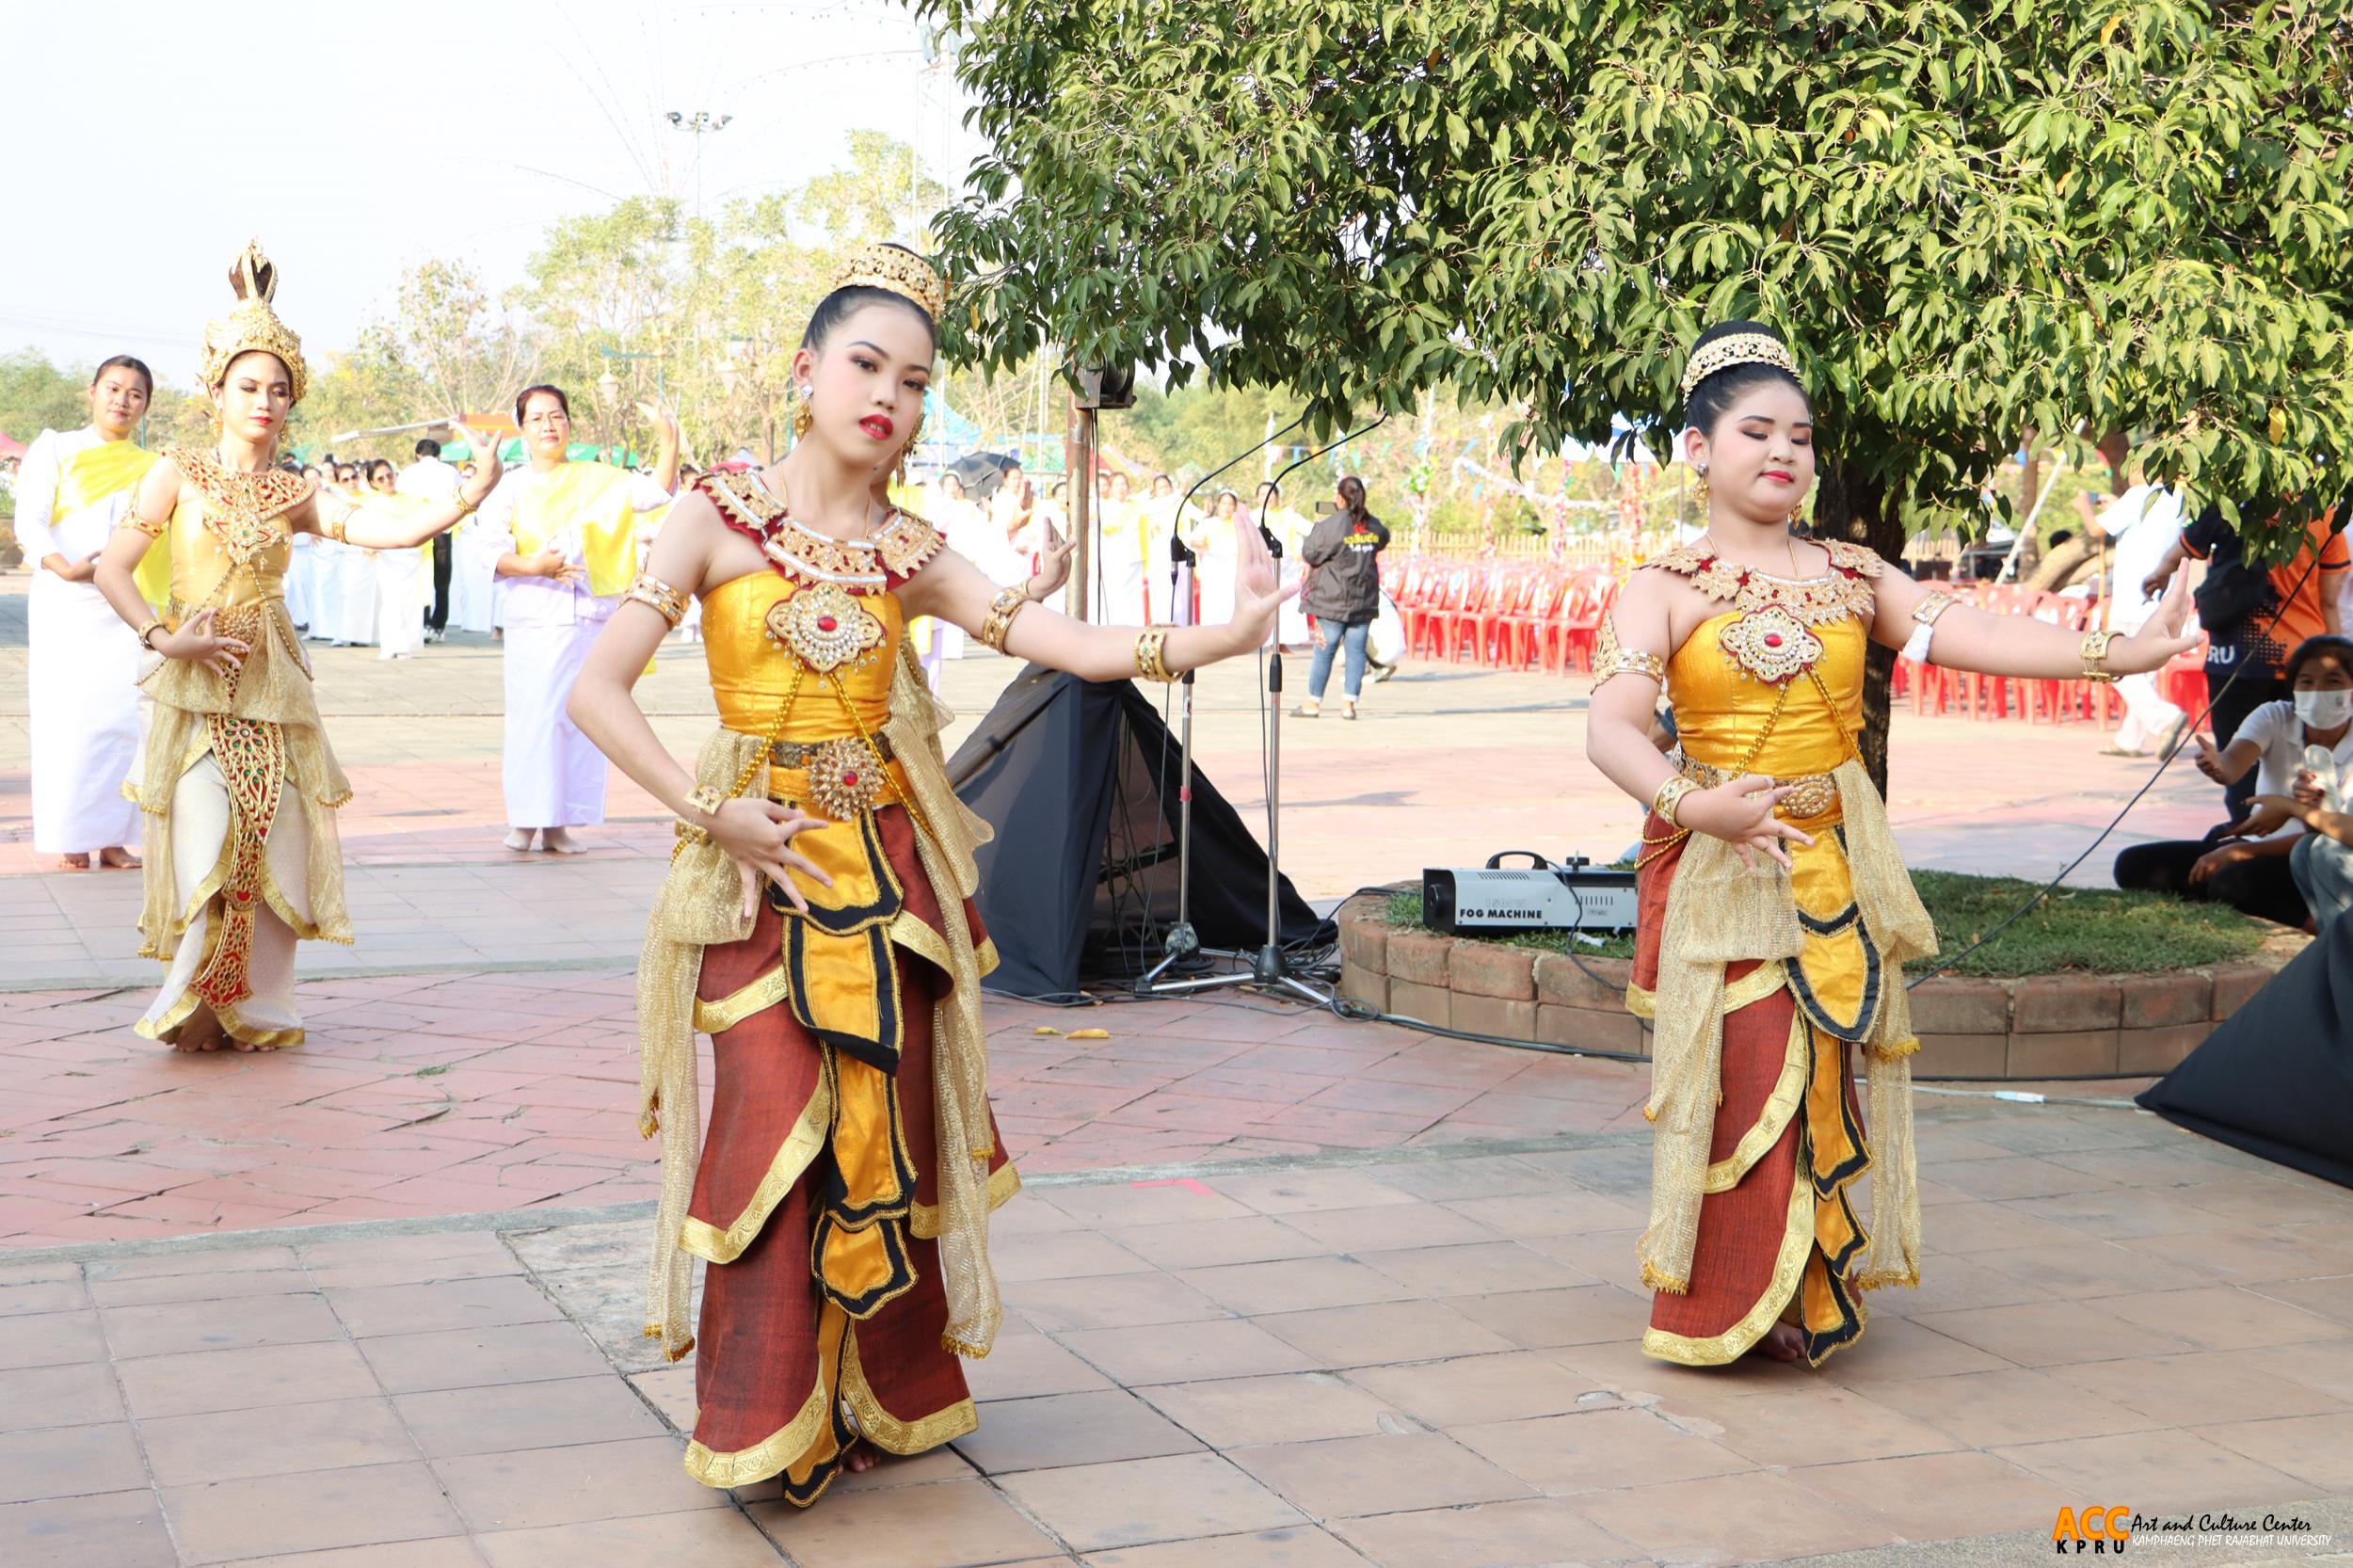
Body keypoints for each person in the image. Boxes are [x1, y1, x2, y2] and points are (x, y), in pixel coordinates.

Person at [566, 243, 1291, 1505]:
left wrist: (1226, 630)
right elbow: (595, 690)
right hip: (760, 874)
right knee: (774, 1134)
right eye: (864, 365)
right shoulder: (715, 513)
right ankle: (764, 1414)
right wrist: (710, 812)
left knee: (884, 1139)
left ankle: (864, 1396)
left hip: (893, 874)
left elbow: (1056, 637)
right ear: (805, 375)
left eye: (912, 379)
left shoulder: (912, 550)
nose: (887, 397)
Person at [1584, 321, 2196, 1367]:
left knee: (1821, 1073)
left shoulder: (1853, 573)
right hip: (1727, 862)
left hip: (1831, 860)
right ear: (1697, 450)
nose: (1784, 452)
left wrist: (2117, 651)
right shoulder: (1664, 585)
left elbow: (1979, 634)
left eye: (1801, 435)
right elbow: (1610, 726)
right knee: (1746, 1077)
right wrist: (1697, 806)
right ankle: (1727, 1302)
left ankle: (1800, 1293)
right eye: (1757, 431)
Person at [89, 242, 498, 1052]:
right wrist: (165, 639)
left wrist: (466, 496)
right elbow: (113, 569)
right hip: (194, 678)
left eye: (279, 390)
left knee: (269, 841)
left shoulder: (299, 492)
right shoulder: (176, 472)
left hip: (271, 682)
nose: (264, 402)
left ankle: (247, 1005)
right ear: (215, 393)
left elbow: (386, 529)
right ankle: (191, 1001)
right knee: (209, 838)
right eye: (248, 387)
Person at [471, 385, 679, 853]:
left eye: (557, 416)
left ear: (568, 424)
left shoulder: (597, 478)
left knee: (578, 718)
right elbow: (488, 547)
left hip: (588, 615)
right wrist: (532, 566)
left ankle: (560, 824)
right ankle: (525, 821)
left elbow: (656, 493)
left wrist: (669, 439)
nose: (549, 425)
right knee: (535, 718)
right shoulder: (511, 485)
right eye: (538, 418)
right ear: (523, 429)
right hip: (536, 615)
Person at [14, 356, 160, 871]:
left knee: (123, 720)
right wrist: (62, 567)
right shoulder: (55, 446)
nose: (122, 400)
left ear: (145, 406)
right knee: (69, 723)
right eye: (114, 388)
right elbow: (29, 519)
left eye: (135, 394)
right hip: (66, 602)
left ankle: (114, 840)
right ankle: (72, 839)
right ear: (92, 391)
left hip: (126, 606)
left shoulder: (151, 467)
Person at [2113, 634, 2353, 927]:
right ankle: (2230, 901)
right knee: (2134, 865)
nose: (2318, 692)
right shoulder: (2276, 715)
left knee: (2231, 883)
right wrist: (2217, 765)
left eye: (2332, 681)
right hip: (2256, 846)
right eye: (2306, 682)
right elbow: (2233, 764)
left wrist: (2253, 841)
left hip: (2316, 863)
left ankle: (2318, 927)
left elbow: (2333, 839)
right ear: (2293, 686)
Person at [2141, 500, 2347, 822]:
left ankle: (2246, 837)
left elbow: (2181, 550)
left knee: (2239, 767)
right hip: (2306, 669)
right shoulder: (2324, 511)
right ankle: (2295, 844)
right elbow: (2329, 603)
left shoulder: (2230, 500)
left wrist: (2159, 574)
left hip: (2234, 662)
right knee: (2310, 769)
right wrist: (2340, 667)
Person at [2078, 433, 2186, 758]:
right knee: (2142, 670)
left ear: (2140, 467)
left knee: (2114, 663)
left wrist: (2084, 506)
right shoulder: (2176, 498)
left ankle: (2164, 718)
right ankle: (2130, 739)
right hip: (2162, 597)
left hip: (2133, 596)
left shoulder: (2139, 494)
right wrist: (2116, 507)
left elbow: (2097, 529)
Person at [1296, 475, 1389, 719]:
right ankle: (1349, 705)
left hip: (1332, 601)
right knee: (1356, 651)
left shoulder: (1331, 526)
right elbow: (1384, 538)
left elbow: (1311, 553)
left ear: (1339, 498)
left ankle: (1313, 703)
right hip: (1363, 599)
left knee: (1324, 651)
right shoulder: (1372, 525)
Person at [399, 435, 462, 639]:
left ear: (418, 455)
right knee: (441, 580)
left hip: (417, 529)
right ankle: (438, 626)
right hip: (443, 528)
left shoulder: (408, 472)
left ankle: (422, 622)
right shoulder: (450, 471)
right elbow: (460, 496)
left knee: (419, 577)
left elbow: (400, 499)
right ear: (439, 454)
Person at [367, 459, 429, 659]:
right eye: (381, 478)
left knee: (410, 602)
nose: (387, 480)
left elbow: (421, 523)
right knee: (391, 601)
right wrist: (369, 547)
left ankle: (406, 646)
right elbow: (366, 530)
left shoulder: (412, 500)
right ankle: (389, 644)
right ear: (373, 483)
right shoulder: (371, 504)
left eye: (389, 475)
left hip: (410, 555)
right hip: (387, 555)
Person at [1256, 479, 1314, 650]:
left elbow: (1310, 530)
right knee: (1266, 603)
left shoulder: (1289, 515)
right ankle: (1267, 642)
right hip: (1263, 567)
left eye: (1270, 493)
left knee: (1287, 604)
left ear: (1277, 496)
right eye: (1262, 494)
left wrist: (1304, 559)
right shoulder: (1253, 517)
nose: (1266, 497)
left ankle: (1282, 643)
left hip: (1286, 566)